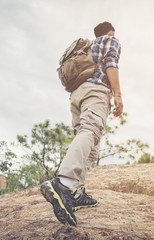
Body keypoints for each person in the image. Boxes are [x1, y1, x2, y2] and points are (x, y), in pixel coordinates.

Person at [40, 21, 123, 226]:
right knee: (91, 132)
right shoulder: (110, 40)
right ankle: (64, 183)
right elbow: (111, 63)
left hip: (77, 96)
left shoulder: (86, 49)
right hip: (96, 91)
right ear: (110, 31)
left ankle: (76, 194)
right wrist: (118, 95)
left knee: (91, 147)